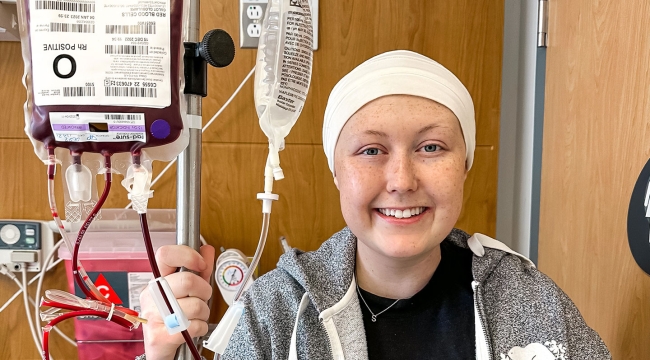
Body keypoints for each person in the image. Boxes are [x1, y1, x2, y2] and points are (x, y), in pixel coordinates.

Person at [139, 50, 611, 360]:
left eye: (431, 148)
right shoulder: (277, 312)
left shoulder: (526, 298)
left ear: (464, 165)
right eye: (371, 151)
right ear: (336, 172)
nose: (402, 181)